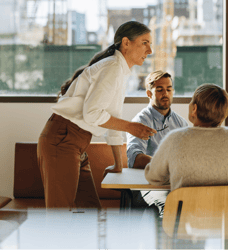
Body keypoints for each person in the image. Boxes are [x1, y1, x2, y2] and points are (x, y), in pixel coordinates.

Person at [37, 21, 157, 209]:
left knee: (92, 215)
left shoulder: (119, 70)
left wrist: (119, 165)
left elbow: (112, 119)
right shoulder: (113, 67)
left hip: (75, 143)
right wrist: (131, 127)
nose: (150, 50)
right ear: (126, 43)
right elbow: (92, 114)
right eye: (145, 43)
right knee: (60, 218)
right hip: (63, 139)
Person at [145, 83, 228, 193]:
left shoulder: (175, 139)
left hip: (187, 219)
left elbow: (154, 177)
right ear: (224, 113)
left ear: (194, 109)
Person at [126, 70, 188, 210]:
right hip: (149, 185)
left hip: (177, 183)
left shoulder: (181, 123)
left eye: (169, 89)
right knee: (169, 205)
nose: (165, 94)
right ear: (149, 93)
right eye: (159, 90)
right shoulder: (140, 121)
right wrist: (167, 166)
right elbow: (135, 159)